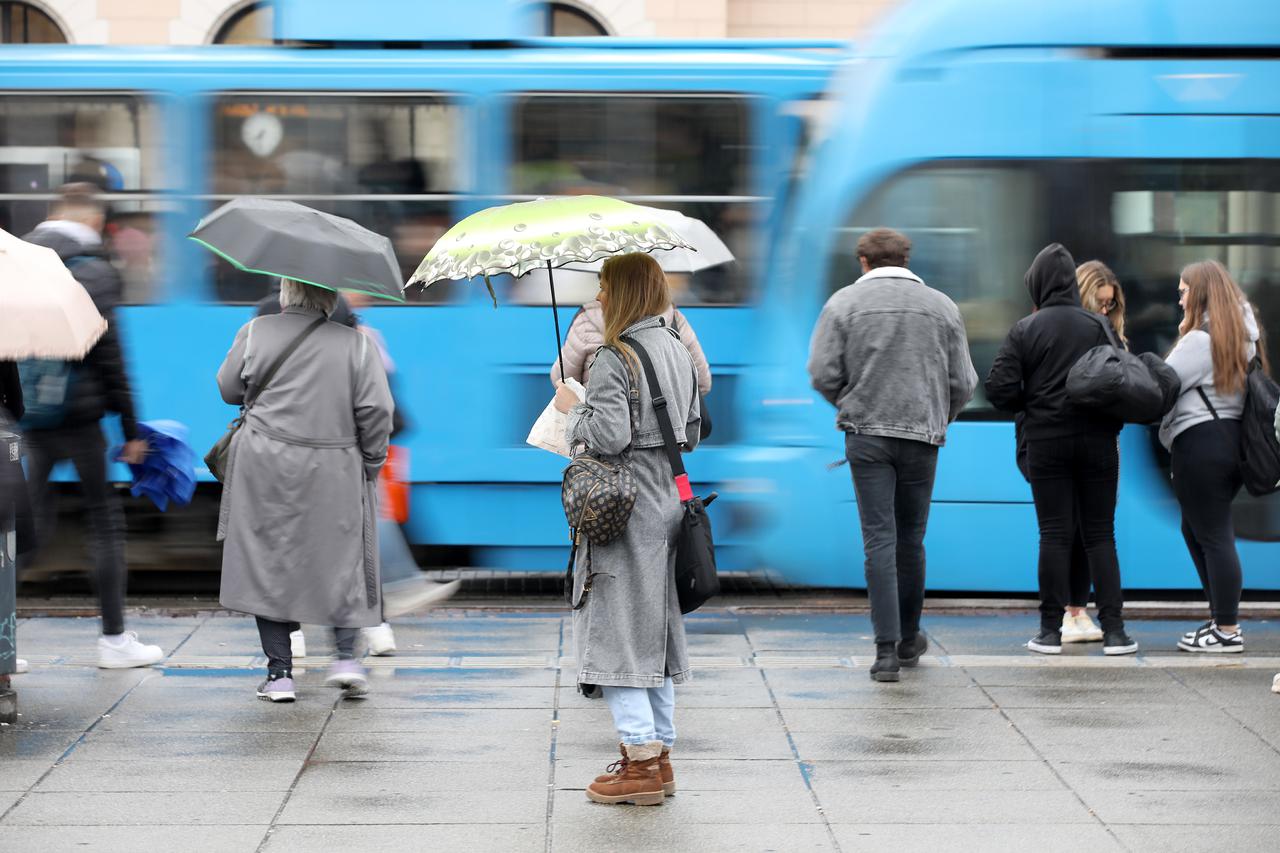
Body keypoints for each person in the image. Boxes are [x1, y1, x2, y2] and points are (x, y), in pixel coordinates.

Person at [552, 252, 700, 806]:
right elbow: (691, 431)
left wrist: (574, 406)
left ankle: (638, 761)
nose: (601, 296)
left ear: (623, 292)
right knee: (655, 629)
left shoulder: (614, 357)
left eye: (605, 287)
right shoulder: (676, 347)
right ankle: (659, 758)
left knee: (615, 627)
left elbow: (607, 436)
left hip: (624, 506)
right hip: (666, 498)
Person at [252, 288, 459, 660]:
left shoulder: (268, 315)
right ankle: (363, 638)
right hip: (342, 452)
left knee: (292, 545)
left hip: (287, 454)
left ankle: (295, 640)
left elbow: (238, 385)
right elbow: (377, 402)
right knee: (352, 543)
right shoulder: (349, 324)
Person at [807, 228, 977, 682]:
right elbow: (964, 381)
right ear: (905, 259)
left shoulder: (842, 304)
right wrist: (938, 416)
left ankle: (884, 654)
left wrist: (852, 403)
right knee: (911, 540)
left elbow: (822, 373)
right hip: (922, 436)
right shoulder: (942, 306)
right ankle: (908, 639)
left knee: (878, 541)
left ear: (863, 261)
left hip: (867, 437)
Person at [217, 280, 394, 702]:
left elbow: (227, 388)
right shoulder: (358, 345)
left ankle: (280, 676)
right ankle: (347, 659)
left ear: (284, 295)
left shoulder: (255, 331)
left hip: (264, 463)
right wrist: (369, 462)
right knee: (343, 558)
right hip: (335, 463)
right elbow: (377, 411)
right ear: (330, 300)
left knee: (267, 561)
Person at [20, 186, 161, 669]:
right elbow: (110, 356)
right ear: (94, 218)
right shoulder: (96, 273)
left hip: (24, 419)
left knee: (24, 528)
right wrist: (131, 428)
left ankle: (3, 641)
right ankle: (114, 642)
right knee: (104, 522)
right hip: (80, 422)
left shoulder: (16, 259)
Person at [986, 244, 1137, 657]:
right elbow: (1120, 376)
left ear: (1036, 283)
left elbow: (998, 390)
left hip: (1047, 443)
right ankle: (1116, 633)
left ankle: (1050, 633)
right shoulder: (1097, 325)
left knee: (1053, 534)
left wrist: (1032, 402)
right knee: (1100, 535)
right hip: (1098, 442)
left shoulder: (1026, 329)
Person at [1161, 261, 1261, 654]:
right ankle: (1221, 617)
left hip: (1201, 442)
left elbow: (1163, 385)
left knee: (1213, 534)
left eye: (1184, 290)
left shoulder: (1200, 342)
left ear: (1200, 294)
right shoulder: (1239, 336)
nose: (1179, 297)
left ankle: (1227, 628)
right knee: (1199, 530)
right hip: (1229, 439)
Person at [1060, 261, 1127, 644]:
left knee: (1094, 531)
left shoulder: (1111, 335)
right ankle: (1070, 612)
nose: (1105, 310)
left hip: (1103, 441)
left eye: (1110, 304)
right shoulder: (1070, 331)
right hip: (1077, 441)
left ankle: (1079, 611)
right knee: (1069, 530)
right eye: (1100, 302)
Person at [550, 288, 712, 398]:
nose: (598, 296)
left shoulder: (586, 320)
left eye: (603, 286)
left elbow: (562, 380)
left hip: (597, 436)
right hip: (663, 442)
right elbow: (702, 383)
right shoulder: (674, 318)